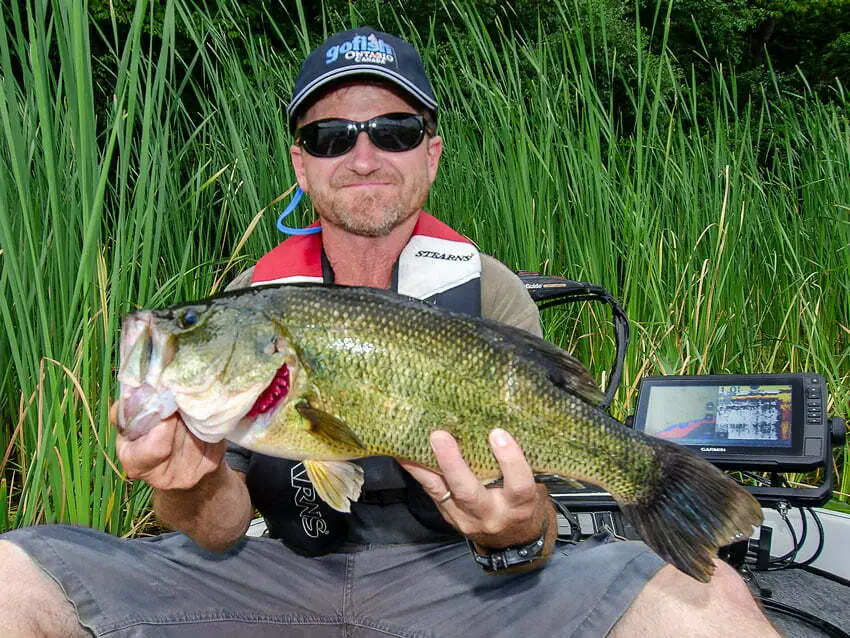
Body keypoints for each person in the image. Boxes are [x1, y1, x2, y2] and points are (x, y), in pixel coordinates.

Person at [0, 28, 777, 637]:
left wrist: (517, 528)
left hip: (471, 588)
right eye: (333, 136)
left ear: (430, 155)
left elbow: (531, 531)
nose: (364, 155)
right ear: (302, 166)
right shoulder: (255, 301)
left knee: (711, 605)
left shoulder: (490, 293)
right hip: (273, 579)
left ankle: (655, 481)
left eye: (395, 130)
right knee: (10, 578)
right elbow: (219, 530)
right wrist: (193, 481)